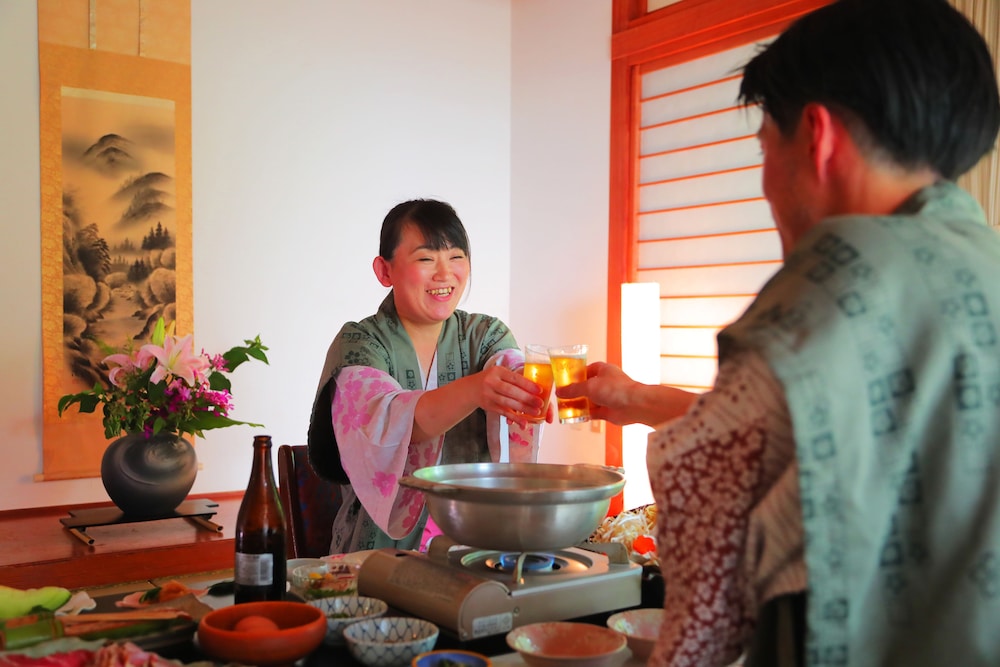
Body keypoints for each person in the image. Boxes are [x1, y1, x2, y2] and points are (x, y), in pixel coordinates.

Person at [558, 0, 1000, 665]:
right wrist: (641, 398)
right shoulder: (982, 265)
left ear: (816, 136)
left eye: (766, 143)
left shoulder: (828, 286)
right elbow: (826, 436)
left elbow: (703, 622)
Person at [307, 199, 549, 555]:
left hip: (474, 541)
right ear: (384, 271)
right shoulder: (359, 344)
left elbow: (510, 365)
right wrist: (479, 389)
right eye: (425, 259)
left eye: (456, 257)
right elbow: (393, 421)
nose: (445, 273)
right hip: (380, 549)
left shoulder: (485, 334)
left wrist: (528, 384)